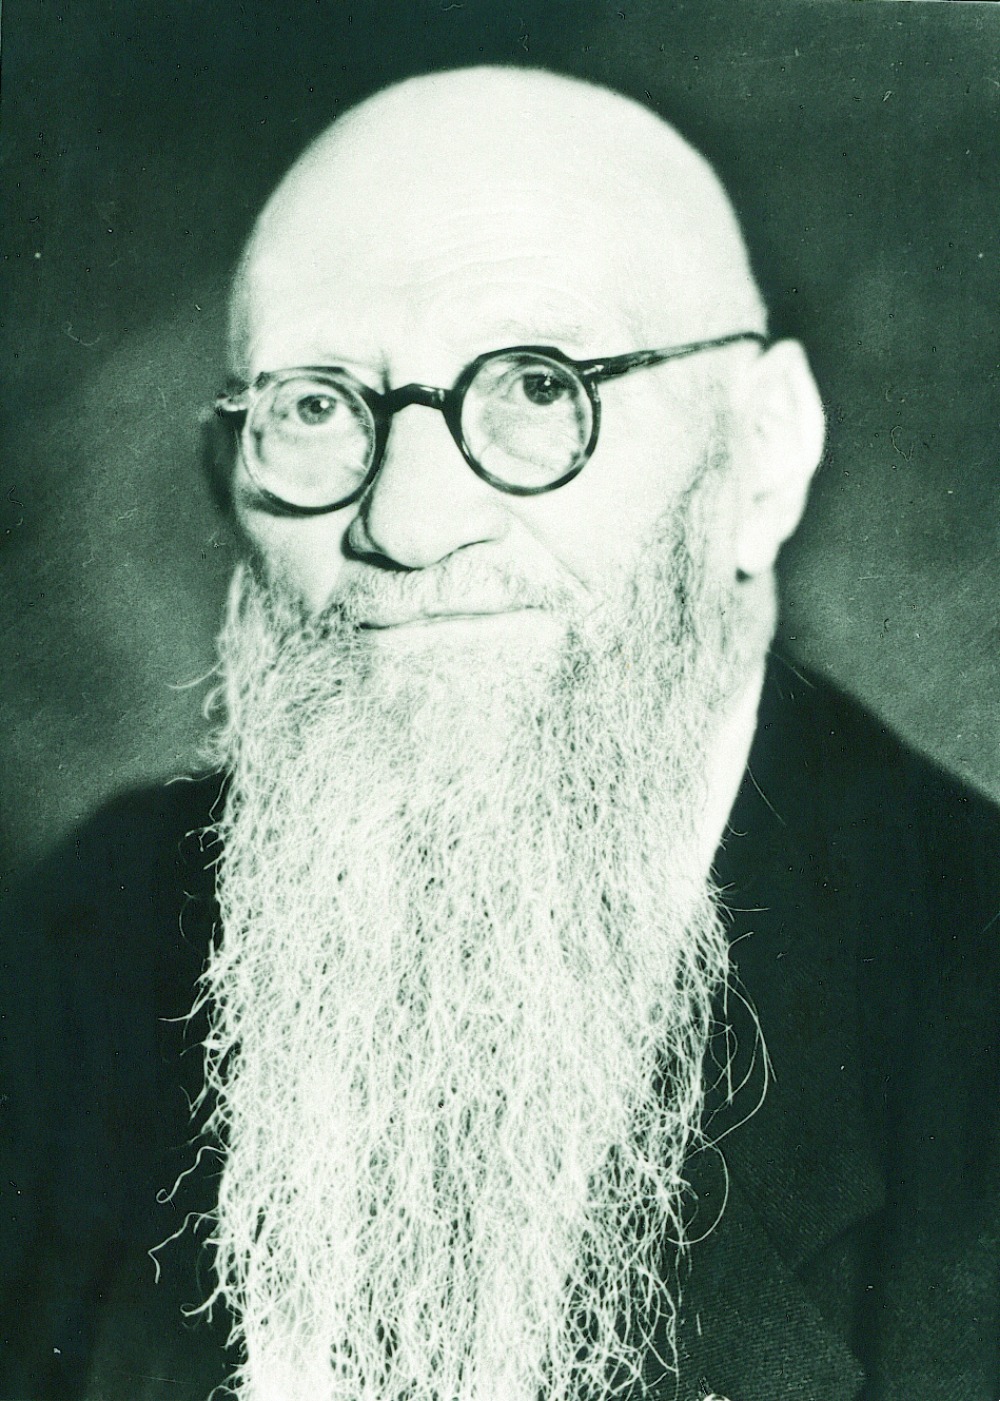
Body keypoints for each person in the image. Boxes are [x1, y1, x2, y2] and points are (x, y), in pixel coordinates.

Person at [1, 66, 998, 1401]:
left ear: (764, 452)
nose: (408, 525)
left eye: (538, 386)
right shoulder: (93, 933)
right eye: (315, 406)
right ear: (227, 479)